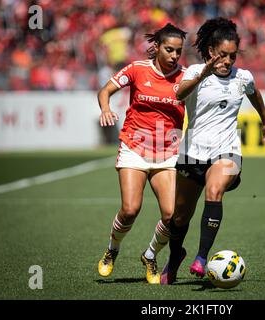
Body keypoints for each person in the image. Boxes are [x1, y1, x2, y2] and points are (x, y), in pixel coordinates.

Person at [160, 17, 265, 285]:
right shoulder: (194, 72)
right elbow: (179, 94)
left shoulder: (243, 77)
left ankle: (201, 257)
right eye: (223, 55)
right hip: (193, 151)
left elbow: (254, 94)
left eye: (233, 56)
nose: (228, 61)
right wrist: (204, 72)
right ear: (211, 52)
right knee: (179, 216)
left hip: (227, 149)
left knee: (214, 191)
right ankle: (176, 255)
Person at [97, 23, 187, 284]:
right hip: (134, 148)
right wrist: (105, 108)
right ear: (157, 47)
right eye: (169, 49)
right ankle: (112, 250)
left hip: (168, 152)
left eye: (178, 51)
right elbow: (106, 90)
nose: (173, 55)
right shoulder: (137, 69)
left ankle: (150, 255)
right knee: (130, 209)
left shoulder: (185, 77)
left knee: (172, 216)